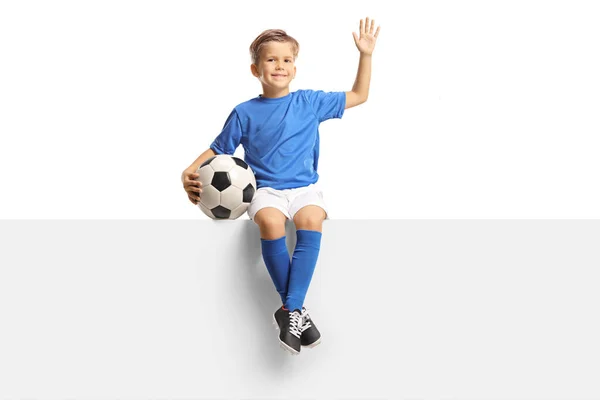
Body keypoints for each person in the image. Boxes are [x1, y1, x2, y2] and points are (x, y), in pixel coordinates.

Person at [181, 17, 380, 355]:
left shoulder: (310, 102)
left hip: (304, 189)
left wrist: (366, 55)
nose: (280, 65)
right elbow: (218, 150)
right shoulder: (244, 112)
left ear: (295, 69)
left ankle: (290, 309)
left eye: (287, 60)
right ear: (255, 69)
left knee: (311, 219)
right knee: (272, 222)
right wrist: (189, 169)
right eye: (271, 59)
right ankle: (296, 311)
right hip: (266, 192)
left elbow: (360, 95)